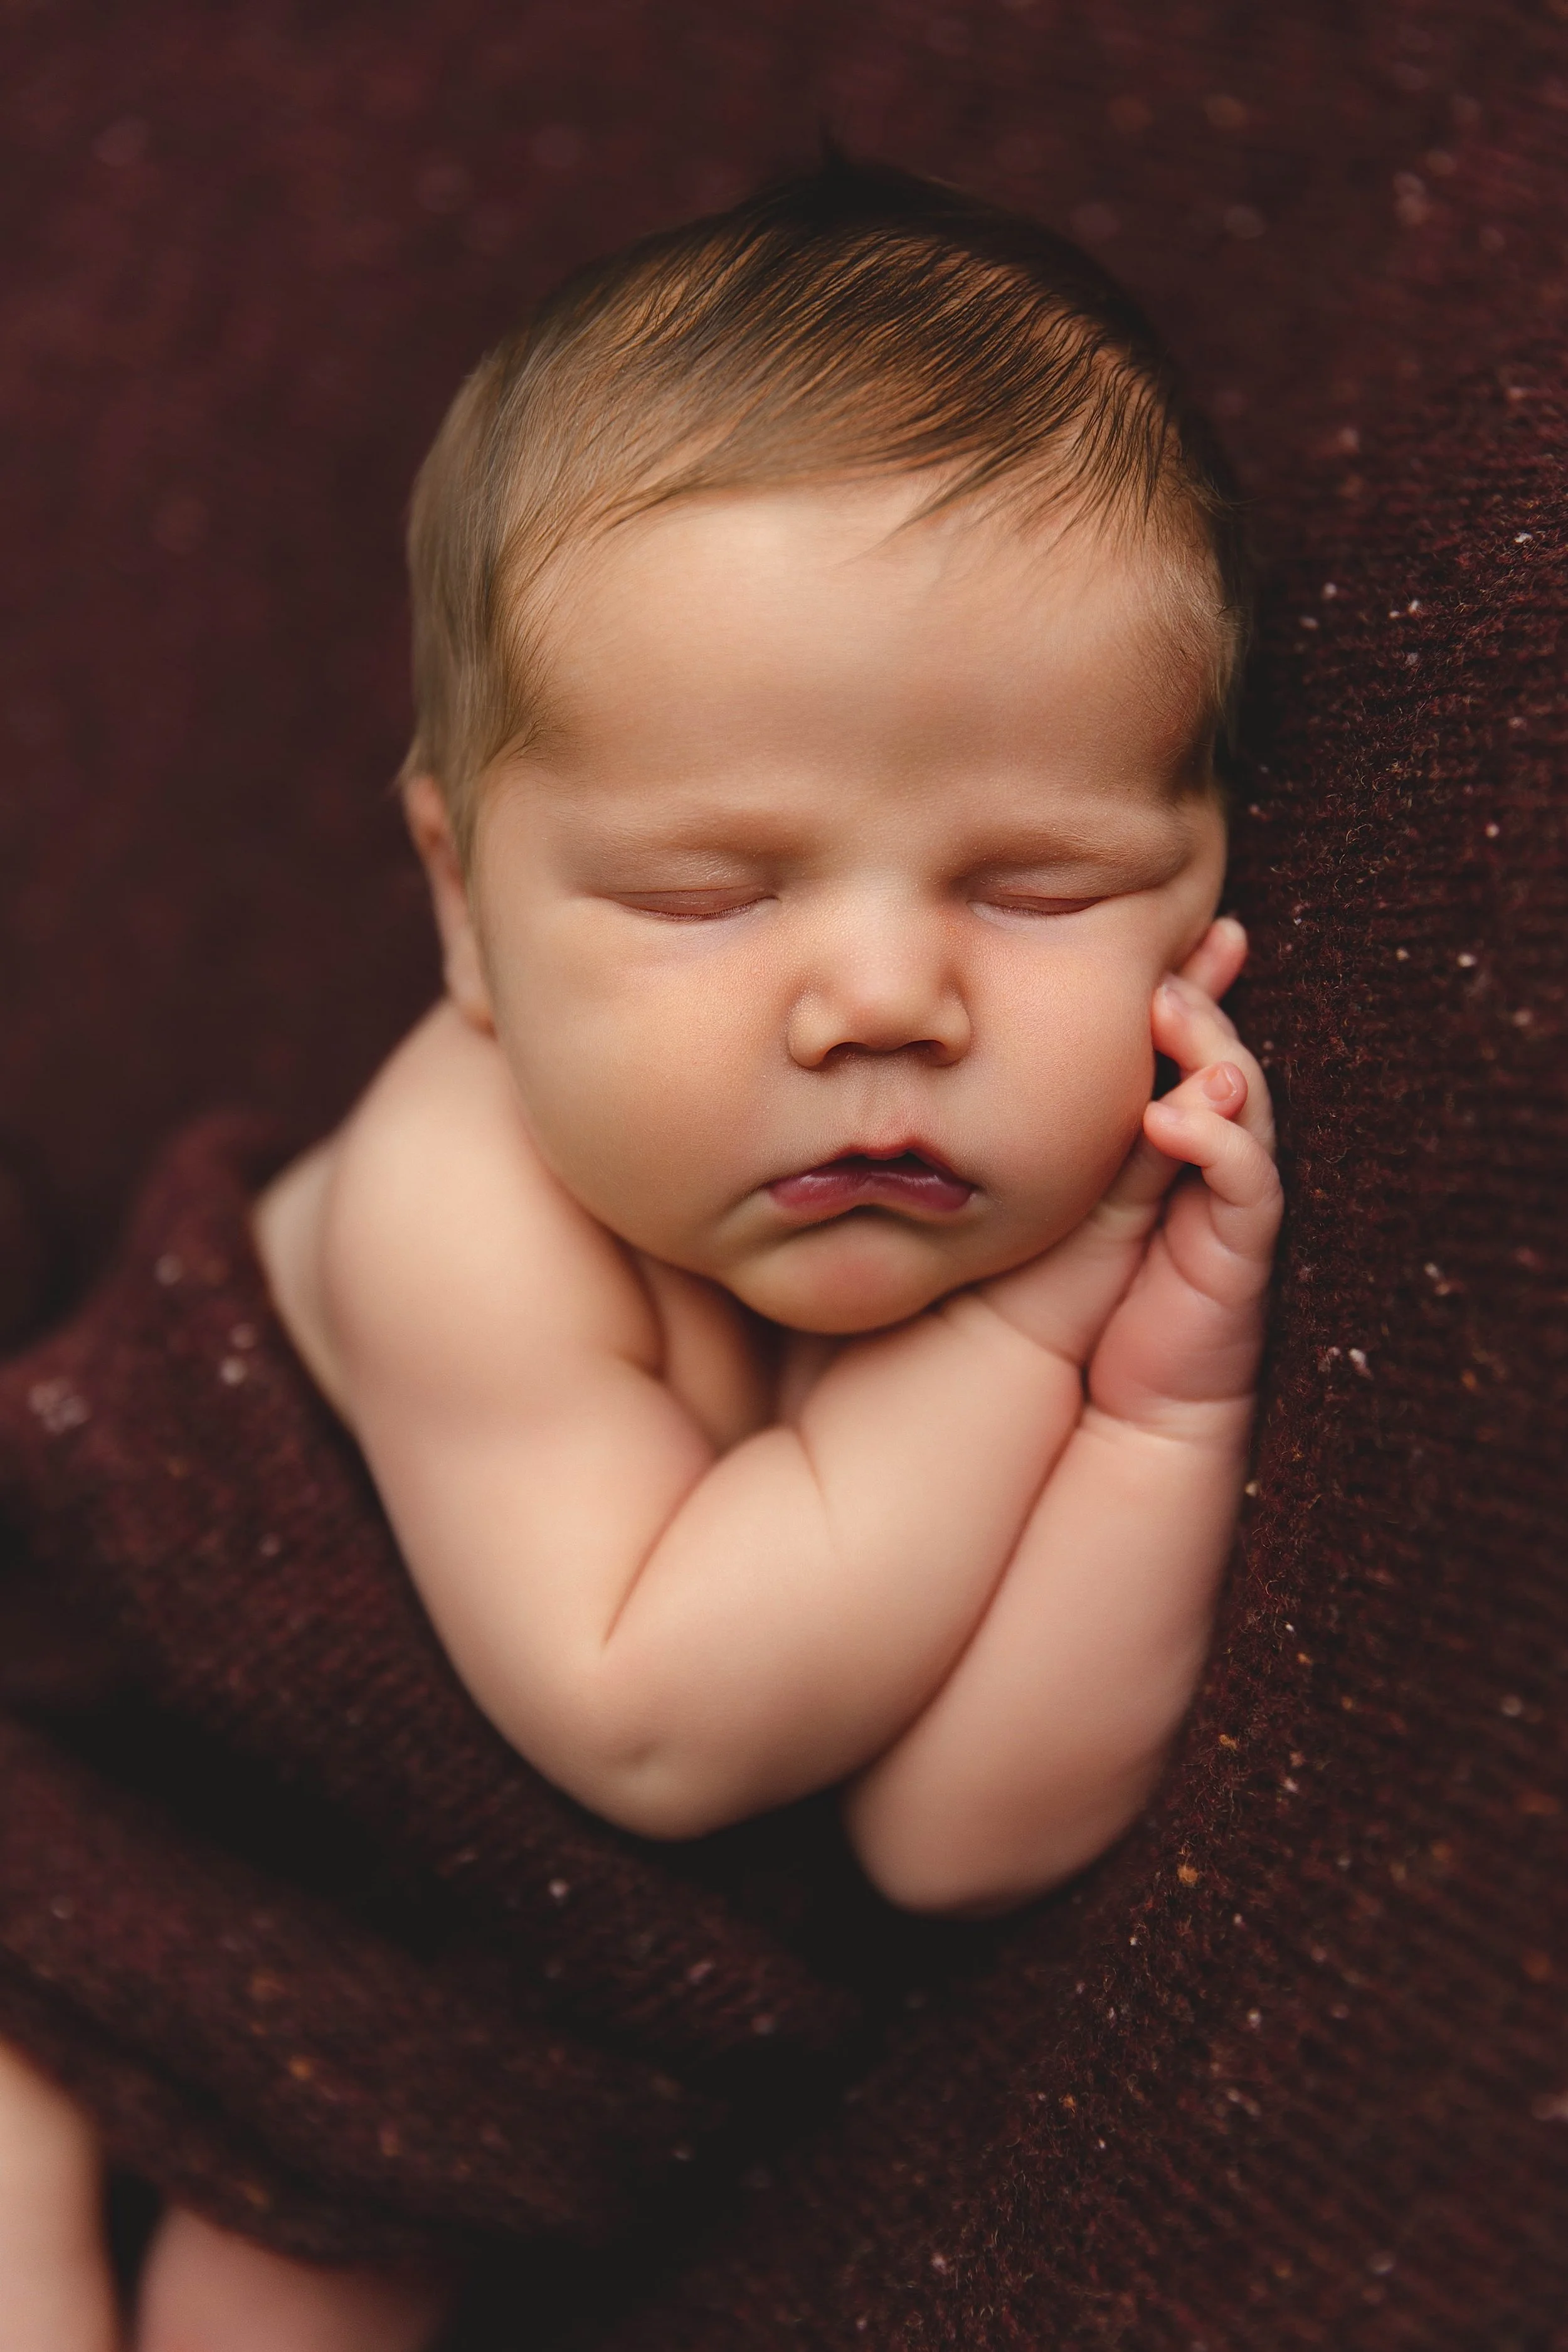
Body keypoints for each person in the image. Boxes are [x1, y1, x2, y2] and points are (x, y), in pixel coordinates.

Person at [0, 159, 1280, 2352]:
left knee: (327, 2248)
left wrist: (1163, 1403)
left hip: (426, 1983)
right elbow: (656, 1714)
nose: (883, 995)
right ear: (461, 909)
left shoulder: (1003, 1215)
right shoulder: (457, 1195)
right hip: (122, 1764)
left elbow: (955, 1834)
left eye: (1040, 887)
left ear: (1202, 885)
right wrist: (1030, 1336)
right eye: (706, 893)